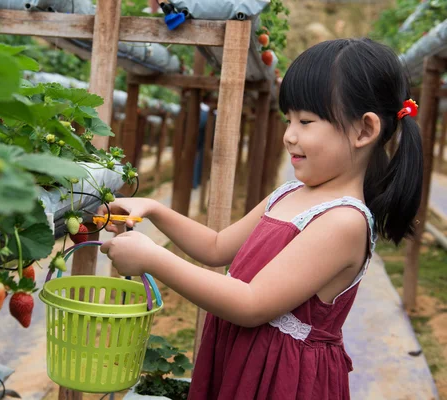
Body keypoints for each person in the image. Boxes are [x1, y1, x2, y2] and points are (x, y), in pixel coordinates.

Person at [98, 38, 423, 399]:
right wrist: (154, 210)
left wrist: (153, 258)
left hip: (282, 379)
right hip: (247, 358)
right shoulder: (288, 194)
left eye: (306, 121)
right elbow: (217, 246)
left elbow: (251, 303)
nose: (289, 135)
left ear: (364, 130)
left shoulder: (343, 221)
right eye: (288, 120)